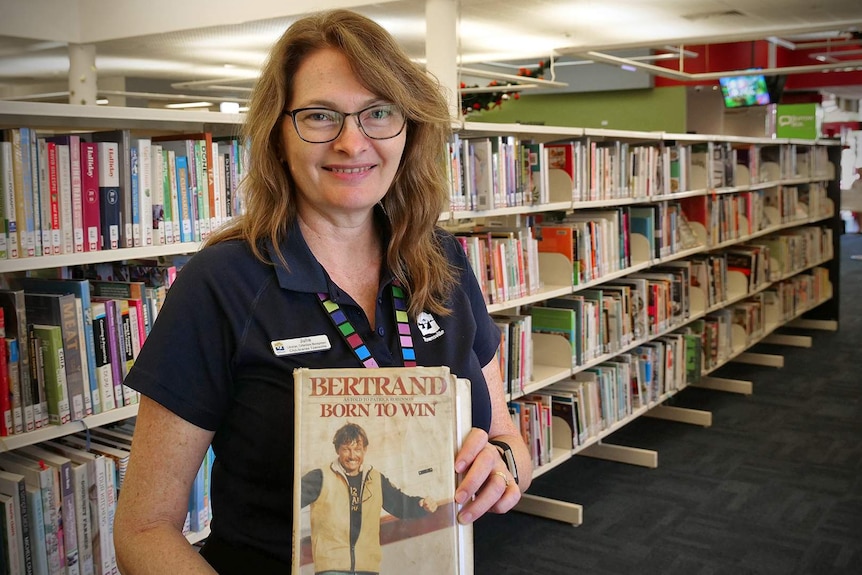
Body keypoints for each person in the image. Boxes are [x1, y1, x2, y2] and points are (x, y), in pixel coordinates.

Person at [113, 9, 532, 574]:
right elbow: (143, 530)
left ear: (408, 130)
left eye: (378, 113)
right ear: (278, 134)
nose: (351, 142)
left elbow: (507, 436)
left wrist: (501, 464)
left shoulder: (443, 259)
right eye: (319, 116)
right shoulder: (221, 284)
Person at [300, 423, 438, 574]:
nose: (352, 456)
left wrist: (421, 504)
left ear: (365, 450)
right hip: (332, 567)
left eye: (357, 449)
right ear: (337, 450)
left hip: (367, 568)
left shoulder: (376, 479)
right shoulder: (320, 477)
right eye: (346, 449)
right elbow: (293, 501)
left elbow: (400, 505)